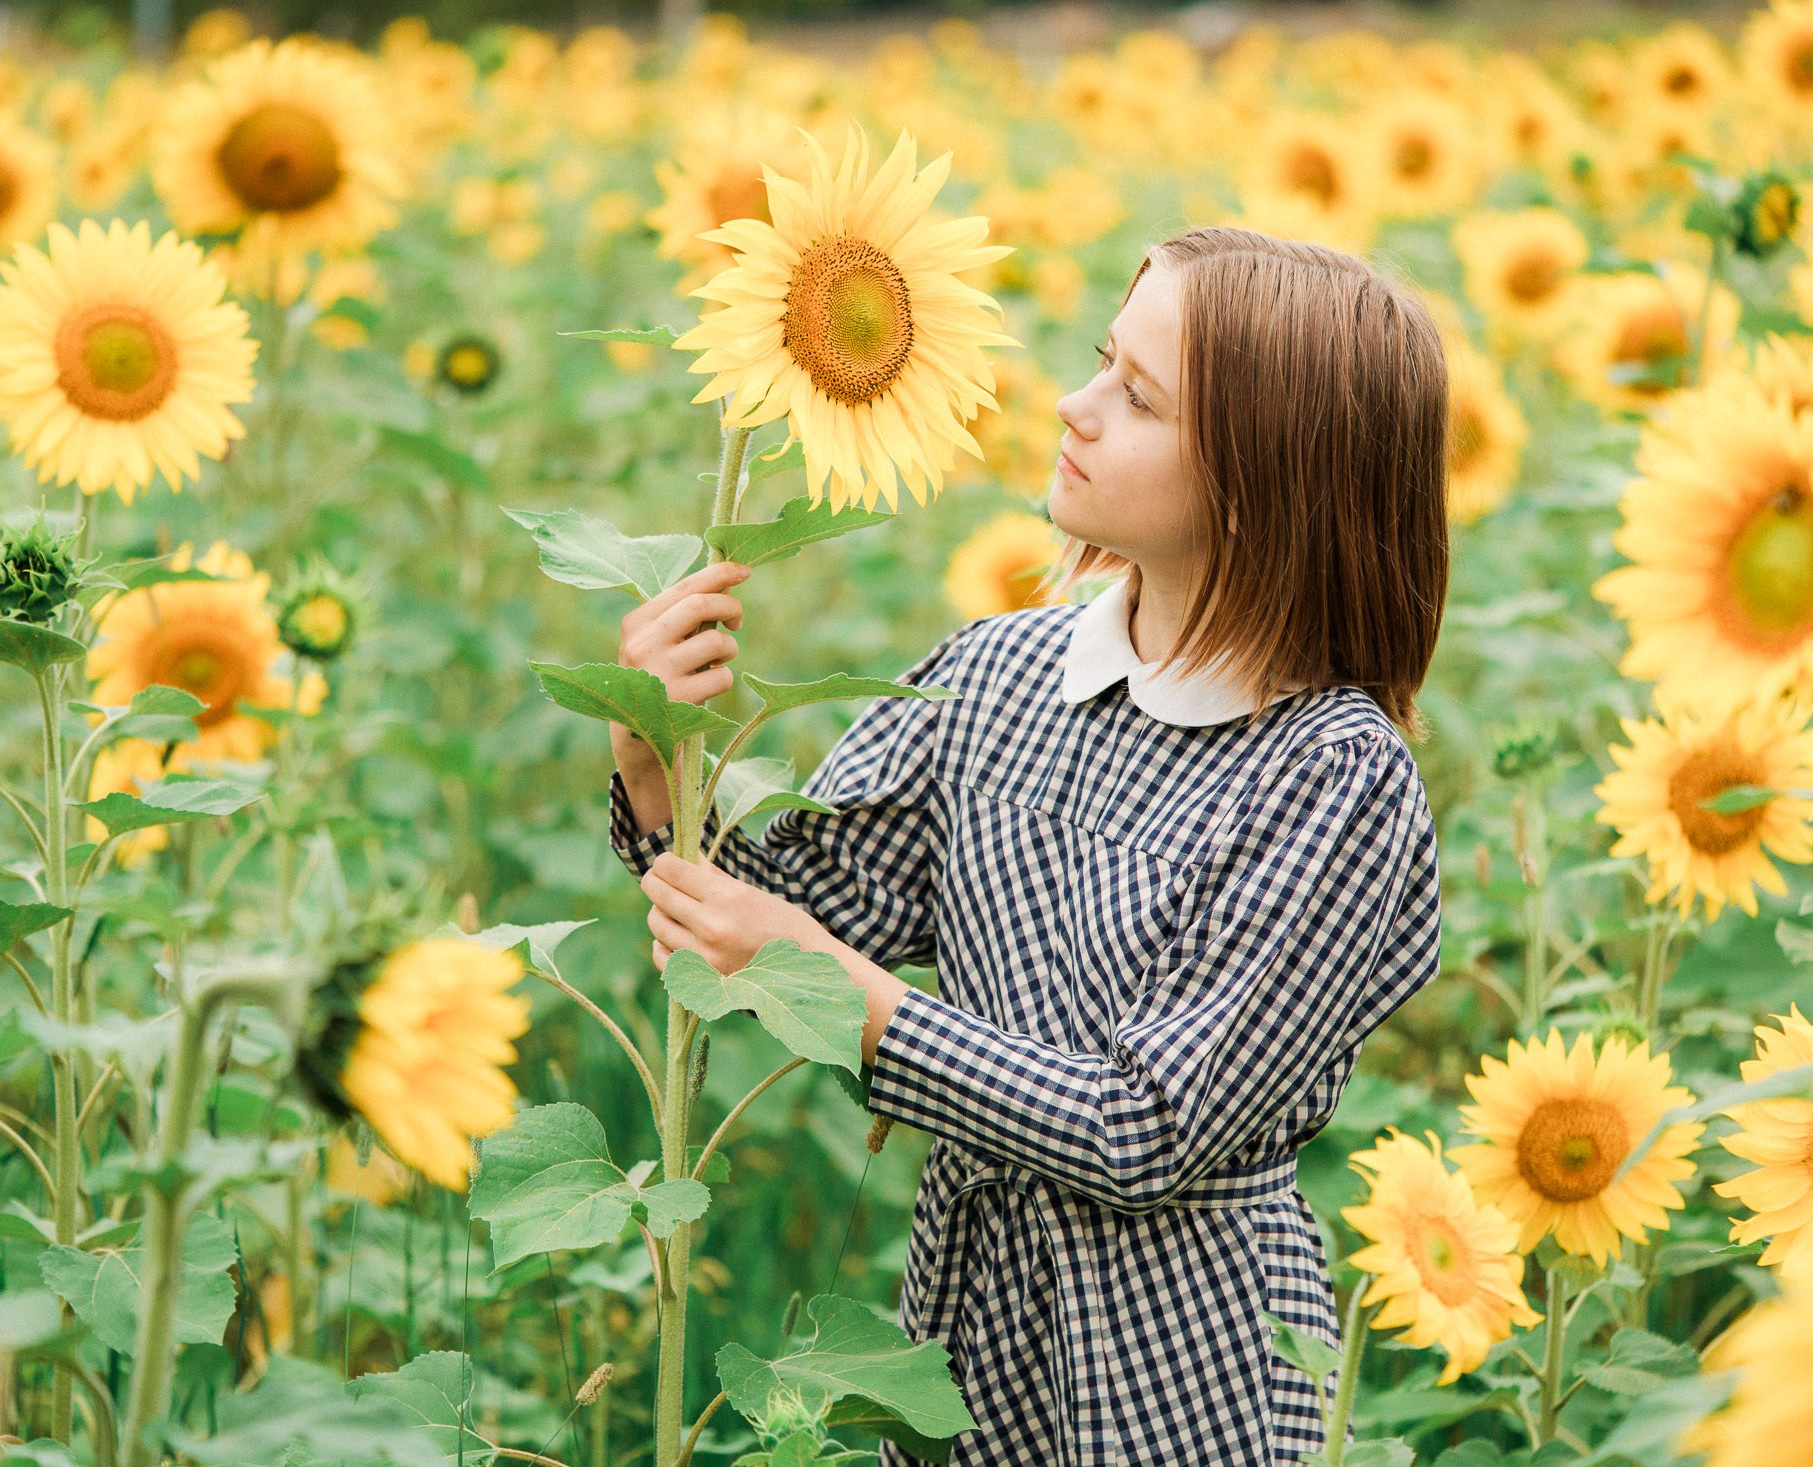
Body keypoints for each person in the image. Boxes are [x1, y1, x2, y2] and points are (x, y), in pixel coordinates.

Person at [606, 225, 1450, 1465]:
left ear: (1257, 483)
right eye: (1104, 362)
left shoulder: (1332, 779)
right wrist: (650, 745)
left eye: (1139, 397)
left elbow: (1145, 1127)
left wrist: (847, 995)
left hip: (1177, 1350)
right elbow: (798, 909)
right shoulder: (999, 675)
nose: (1076, 403)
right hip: (963, 1314)